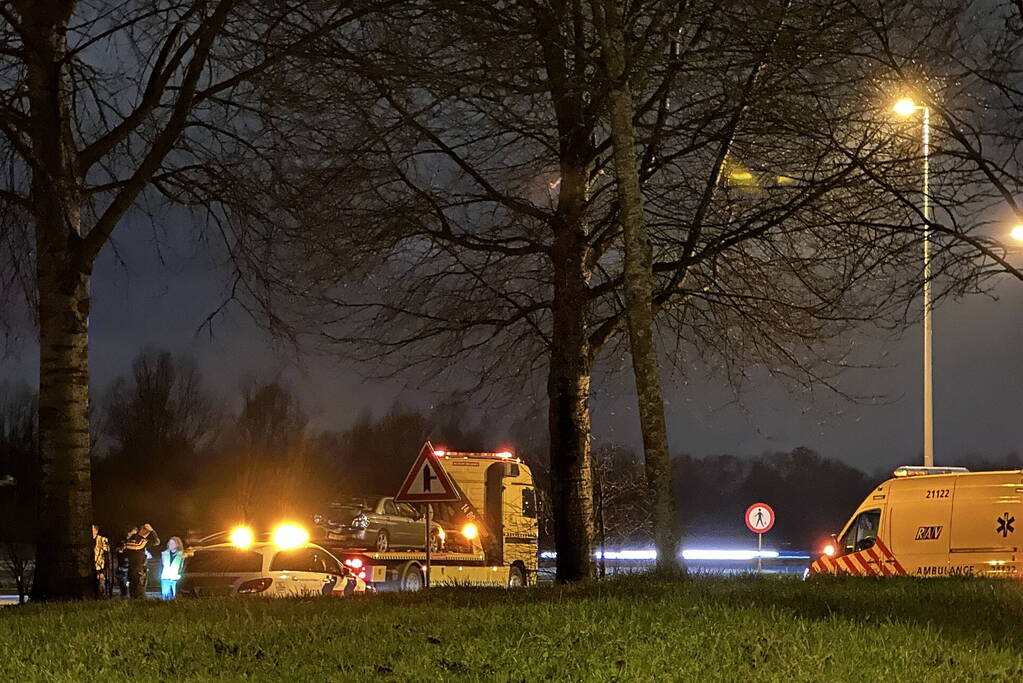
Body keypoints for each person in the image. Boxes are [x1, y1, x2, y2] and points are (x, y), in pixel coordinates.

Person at [124, 523, 160, 599]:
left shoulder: (132, 541)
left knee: (133, 591)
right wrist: (152, 531)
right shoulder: (139, 541)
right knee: (139, 591)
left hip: (133, 569)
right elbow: (156, 541)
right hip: (138, 569)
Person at [92, 524, 110, 598]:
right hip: (91, 565)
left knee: (100, 583)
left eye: (92, 530)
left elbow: (107, 553)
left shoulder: (102, 539)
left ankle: (101, 596)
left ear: (96, 531)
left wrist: (104, 570)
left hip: (99, 566)